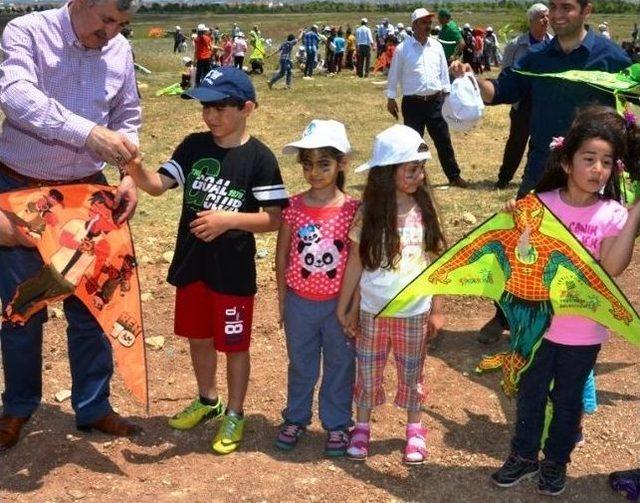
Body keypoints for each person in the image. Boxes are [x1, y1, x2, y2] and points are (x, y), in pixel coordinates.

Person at [0, 0, 143, 451]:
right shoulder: (27, 32)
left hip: (88, 195)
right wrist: (87, 132)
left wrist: (128, 176)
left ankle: (93, 406)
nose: (112, 33)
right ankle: (18, 407)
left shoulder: (120, 51)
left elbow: (128, 114)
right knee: (22, 308)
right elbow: (16, 96)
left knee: (92, 306)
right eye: (106, 19)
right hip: (23, 192)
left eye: (121, 25)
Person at [453, 0, 632, 344]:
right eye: (552, 6)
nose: (556, 14)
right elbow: (500, 90)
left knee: (587, 250)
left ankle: (578, 327)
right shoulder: (536, 58)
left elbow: (633, 107)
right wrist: (471, 80)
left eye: (566, 7)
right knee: (521, 244)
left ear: (587, 10)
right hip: (542, 171)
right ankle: (505, 315)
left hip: (594, 174)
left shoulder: (612, 59)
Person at [125, 66, 288, 455]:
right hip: (192, 263)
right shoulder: (193, 146)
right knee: (198, 337)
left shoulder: (259, 158)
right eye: (205, 108)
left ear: (247, 108)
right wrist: (132, 163)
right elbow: (156, 185)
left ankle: (235, 411)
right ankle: (207, 399)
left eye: (220, 108)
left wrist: (228, 219)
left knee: (234, 344)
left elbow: (276, 217)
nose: (210, 116)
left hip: (232, 271)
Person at [491, 105, 640, 496]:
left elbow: (612, 266)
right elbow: (515, 253)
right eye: (589, 159)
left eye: (606, 162)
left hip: (583, 332)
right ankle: (523, 456)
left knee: (568, 400)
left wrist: (635, 210)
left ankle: (556, 463)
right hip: (537, 325)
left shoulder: (611, 214)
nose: (597, 169)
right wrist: (510, 217)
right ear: (566, 160)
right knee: (531, 394)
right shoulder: (540, 204)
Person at [336, 124, 445, 464]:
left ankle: (414, 429)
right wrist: (347, 306)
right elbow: (355, 263)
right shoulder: (368, 213)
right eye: (411, 169)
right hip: (372, 312)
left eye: (421, 168)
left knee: (411, 373)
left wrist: (438, 309)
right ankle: (363, 427)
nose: (419, 175)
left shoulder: (424, 211)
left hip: (414, 312)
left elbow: (438, 262)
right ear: (387, 173)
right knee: (368, 370)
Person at [274, 120, 359, 457]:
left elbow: (359, 263)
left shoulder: (354, 210)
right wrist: (283, 301)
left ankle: (337, 424)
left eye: (324, 164)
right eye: (307, 164)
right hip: (300, 303)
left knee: (340, 365)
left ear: (342, 163)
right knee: (301, 364)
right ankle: (295, 418)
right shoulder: (293, 207)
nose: (314, 172)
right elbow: (281, 257)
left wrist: (353, 307)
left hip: (338, 306)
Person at [387, 8, 469, 188]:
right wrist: (391, 97)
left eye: (429, 23)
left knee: (443, 140)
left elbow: (443, 74)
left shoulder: (437, 46)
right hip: (413, 104)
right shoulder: (402, 49)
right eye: (424, 22)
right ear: (414, 25)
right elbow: (394, 74)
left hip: (435, 102)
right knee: (412, 144)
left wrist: (447, 95)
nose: (428, 26)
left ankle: (454, 176)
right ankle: (410, 177)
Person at [493, 3, 551, 192]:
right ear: (531, 21)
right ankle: (504, 178)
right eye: (542, 17)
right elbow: (506, 73)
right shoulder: (516, 45)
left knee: (540, 142)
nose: (546, 20)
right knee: (516, 141)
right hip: (522, 102)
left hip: (544, 101)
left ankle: (532, 179)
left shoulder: (553, 44)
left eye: (547, 16)